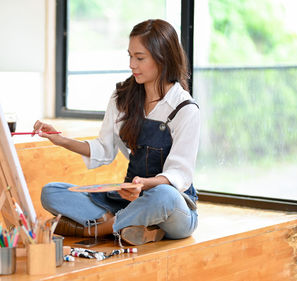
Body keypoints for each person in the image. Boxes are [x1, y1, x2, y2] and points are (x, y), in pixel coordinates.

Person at [32, 19, 200, 246]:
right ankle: (137, 227)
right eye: (130, 56)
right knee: (51, 192)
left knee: (164, 197)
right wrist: (60, 140)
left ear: (163, 59)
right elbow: (104, 148)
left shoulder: (185, 108)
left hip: (173, 208)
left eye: (140, 58)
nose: (132, 64)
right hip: (129, 199)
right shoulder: (122, 97)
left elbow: (178, 175)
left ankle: (98, 229)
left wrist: (145, 183)